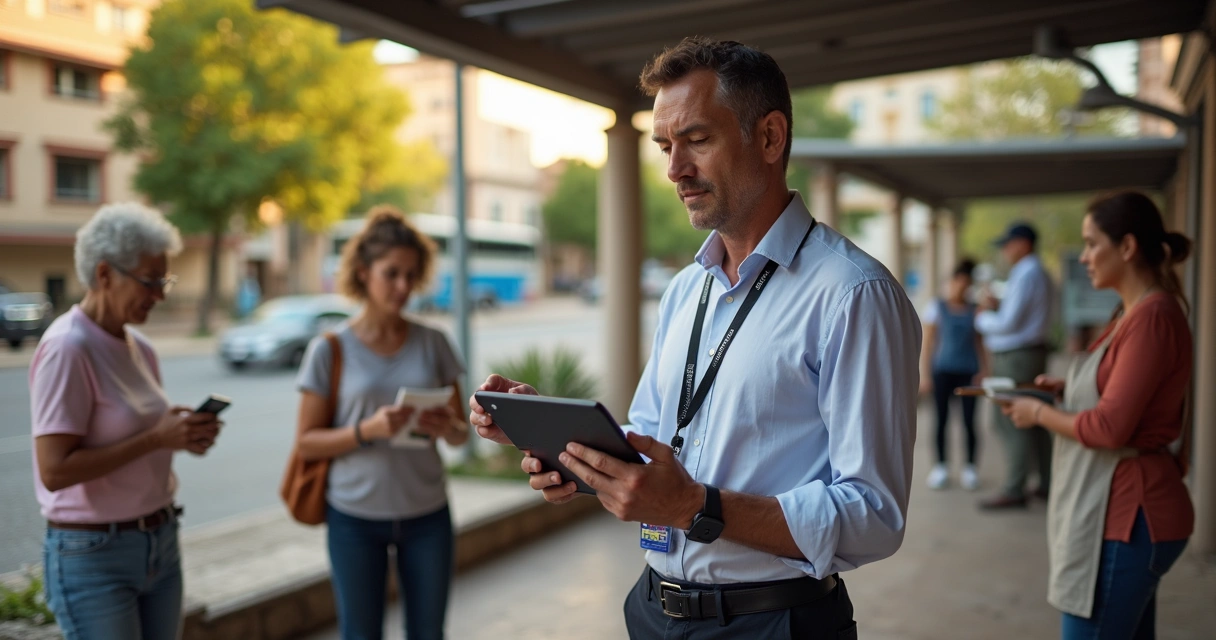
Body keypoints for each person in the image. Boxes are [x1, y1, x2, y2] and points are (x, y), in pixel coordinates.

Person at [469, 37, 921, 638]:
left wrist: (694, 507)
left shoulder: (853, 294)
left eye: (697, 140)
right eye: (664, 146)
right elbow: (653, 448)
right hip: (653, 610)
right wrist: (565, 445)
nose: (675, 170)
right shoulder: (686, 290)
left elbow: (874, 516)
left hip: (774, 624)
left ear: (769, 137)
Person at [1002, 191, 1193, 640]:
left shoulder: (1151, 316)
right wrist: (1070, 388)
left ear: (1126, 247)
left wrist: (1039, 414)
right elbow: (1132, 394)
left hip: (1130, 515)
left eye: (1092, 243)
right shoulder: (1137, 311)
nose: (1084, 256)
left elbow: (1110, 427)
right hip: (1126, 511)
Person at [30, 202, 223, 640]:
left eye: (164, 280)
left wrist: (182, 436)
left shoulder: (140, 346)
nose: (160, 294)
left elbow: (143, 434)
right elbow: (55, 470)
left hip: (159, 541)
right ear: (104, 274)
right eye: (151, 281)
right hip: (94, 554)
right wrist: (156, 439)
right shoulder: (68, 348)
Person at [293, 207, 469, 640]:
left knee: (428, 633)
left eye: (412, 275)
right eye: (392, 273)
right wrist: (367, 431)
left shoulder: (435, 343)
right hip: (353, 517)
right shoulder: (329, 349)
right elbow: (306, 444)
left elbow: (461, 433)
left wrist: (445, 425)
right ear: (362, 272)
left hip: (427, 515)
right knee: (360, 632)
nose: (403, 286)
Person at [975, 221, 1055, 509]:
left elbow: (1009, 323)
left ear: (1023, 243)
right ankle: (1045, 482)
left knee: (1011, 417)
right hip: (1027, 352)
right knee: (1035, 418)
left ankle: (1015, 487)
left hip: (1017, 356)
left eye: (1008, 244)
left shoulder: (1027, 272)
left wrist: (982, 318)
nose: (1006, 251)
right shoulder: (1035, 272)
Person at [920, 258, 988, 491]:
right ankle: (941, 466)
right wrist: (926, 374)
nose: (961, 287)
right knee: (941, 420)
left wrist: (984, 370)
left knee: (969, 421)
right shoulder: (936, 307)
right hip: (943, 371)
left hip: (968, 372)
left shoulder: (975, 310)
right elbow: (928, 342)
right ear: (951, 282)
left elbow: (980, 342)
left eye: (966, 283)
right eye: (958, 282)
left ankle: (970, 467)